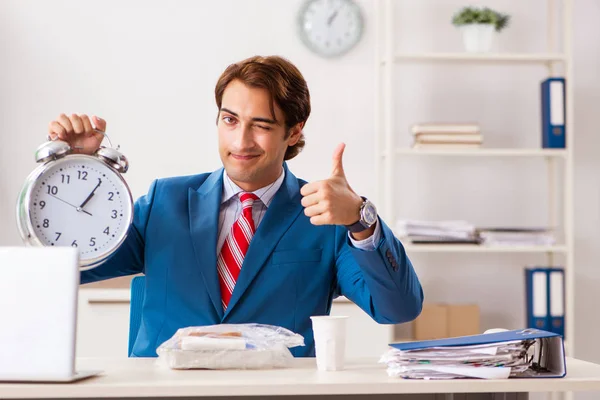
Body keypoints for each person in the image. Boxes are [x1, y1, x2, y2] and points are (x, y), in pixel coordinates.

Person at [47, 55, 423, 357]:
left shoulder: (324, 216)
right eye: (230, 120)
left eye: (260, 125)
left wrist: (361, 218)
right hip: (164, 390)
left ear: (293, 131)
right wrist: (82, 170)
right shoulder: (166, 201)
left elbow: (398, 308)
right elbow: (70, 266)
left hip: (275, 392)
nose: (241, 140)